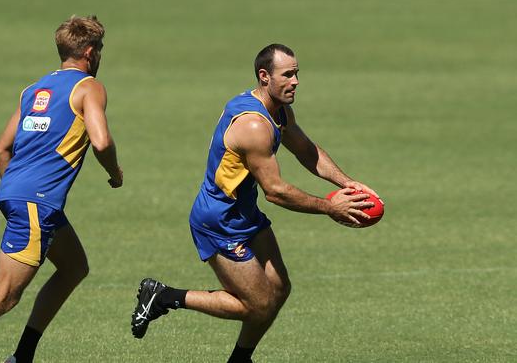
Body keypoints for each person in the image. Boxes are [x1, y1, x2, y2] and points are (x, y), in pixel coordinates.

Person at [131, 44, 381, 362]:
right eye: (287, 74)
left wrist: (347, 183)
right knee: (257, 305)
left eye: (297, 73)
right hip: (218, 220)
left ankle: (240, 359)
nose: (296, 81)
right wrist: (330, 207)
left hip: (243, 211)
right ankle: (165, 296)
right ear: (264, 76)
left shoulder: (278, 110)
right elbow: (275, 191)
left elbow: (305, 149)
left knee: (278, 289)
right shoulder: (254, 127)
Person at [0, 15, 122, 363]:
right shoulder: (89, 87)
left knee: (74, 267)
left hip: (20, 193)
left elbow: (1, 150)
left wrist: (17, 192)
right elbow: (101, 143)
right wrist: (115, 173)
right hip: (36, 202)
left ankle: (23, 355)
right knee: (3, 296)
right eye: (100, 50)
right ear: (90, 53)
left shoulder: (35, 90)